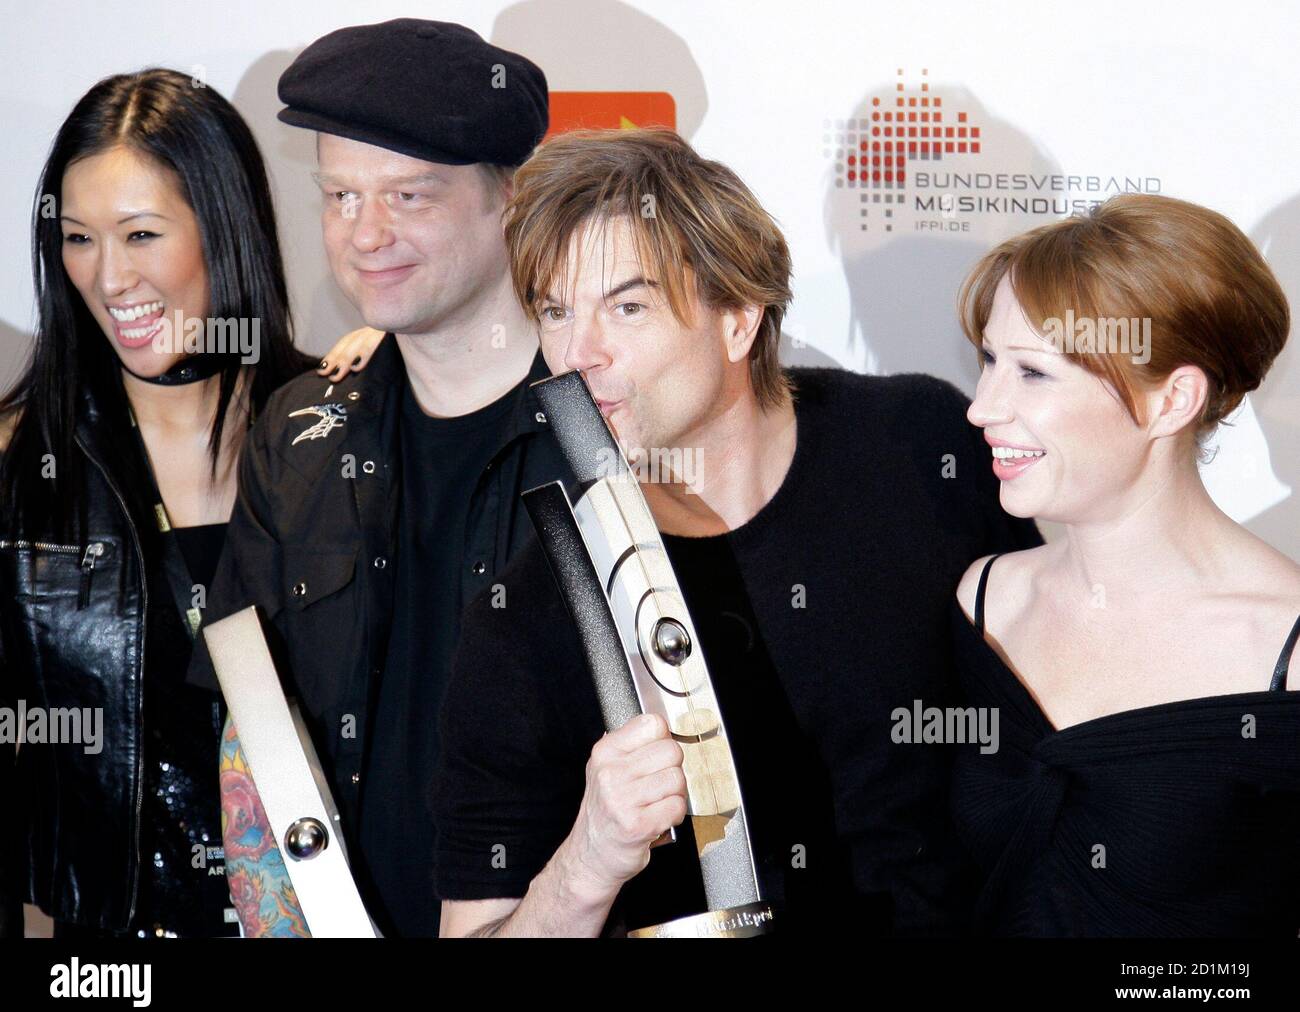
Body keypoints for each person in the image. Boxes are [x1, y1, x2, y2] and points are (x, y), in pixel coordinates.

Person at [432, 127, 1042, 938]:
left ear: (738, 319)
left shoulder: (920, 444)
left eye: (628, 306)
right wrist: (591, 857)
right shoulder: (531, 612)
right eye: (554, 312)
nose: (575, 355)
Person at [193, 19, 571, 938]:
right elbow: (251, 729)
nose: (368, 234)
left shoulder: (607, 436)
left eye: (409, 194)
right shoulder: (297, 434)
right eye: (340, 195)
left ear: (508, 202)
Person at [0, 68, 377, 938]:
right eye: (80, 238)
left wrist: (413, 368)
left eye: (140, 234)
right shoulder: (20, 472)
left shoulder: (350, 432)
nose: (109, 277)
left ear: (224, 225)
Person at [950, 193, 1300, 936]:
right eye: (988, 361)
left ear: (1173, 400)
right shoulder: (985, 601)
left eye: (1033, 374)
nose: (982, 407)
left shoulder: (1287, 650)